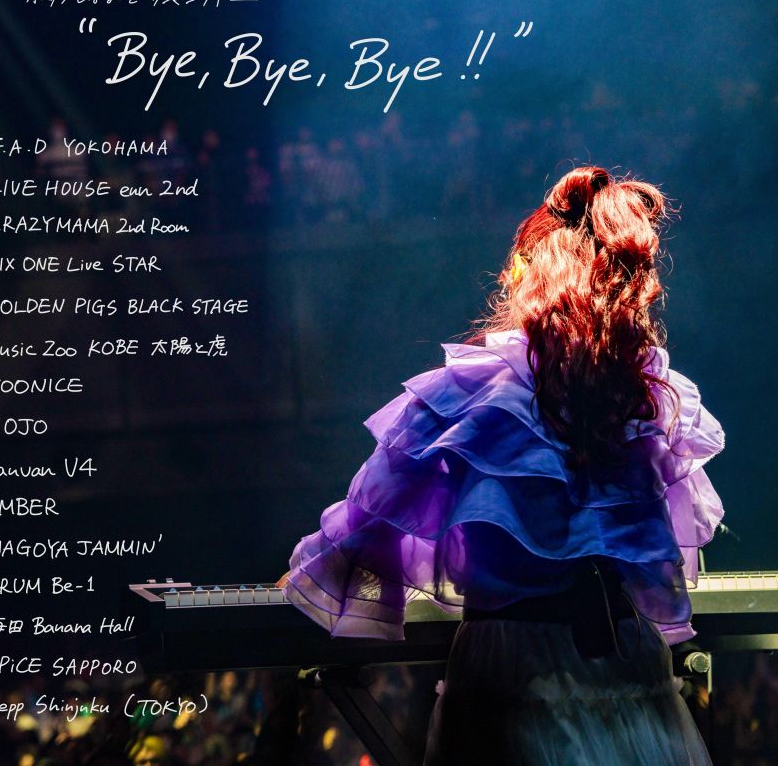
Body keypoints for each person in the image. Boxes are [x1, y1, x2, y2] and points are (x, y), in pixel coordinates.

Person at [279, 165, 725, 765]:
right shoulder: (645, 398)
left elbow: (359, 542)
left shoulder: (470, 393)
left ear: (528, 274)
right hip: (626, 663)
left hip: (515, 668)